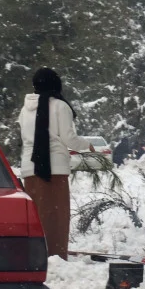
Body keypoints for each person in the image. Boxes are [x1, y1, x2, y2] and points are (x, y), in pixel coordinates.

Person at [17, 67, 93, 260]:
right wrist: (87, 145)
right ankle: (55, 255)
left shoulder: (25, 109)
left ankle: (35, 254)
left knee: (36, 216)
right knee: (56, 217)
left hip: (29, 168)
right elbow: (69, 138)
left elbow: (25, 138)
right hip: (54, 170)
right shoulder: (60, 106)